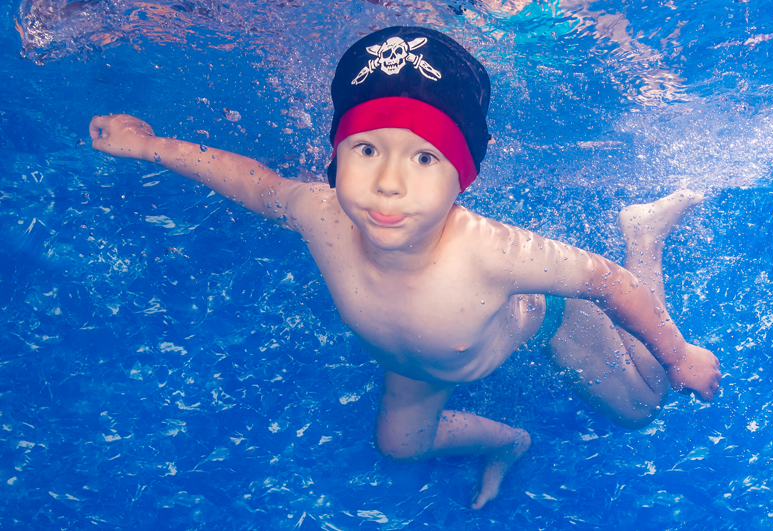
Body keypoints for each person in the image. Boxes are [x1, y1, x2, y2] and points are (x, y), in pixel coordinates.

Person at [88, 26, 721, 509]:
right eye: (366, 149)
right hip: (415, 366)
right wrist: (149, 145)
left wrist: (677, 355)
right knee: (397, 446)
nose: (388, 183)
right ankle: (509, 440)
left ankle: (644, 233)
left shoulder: (496, 252)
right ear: (337, 156)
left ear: (462, 175)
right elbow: (253, 184)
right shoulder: (321, 212)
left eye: (424, 159)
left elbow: (611, 284)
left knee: (641, 405)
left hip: (551, 317)